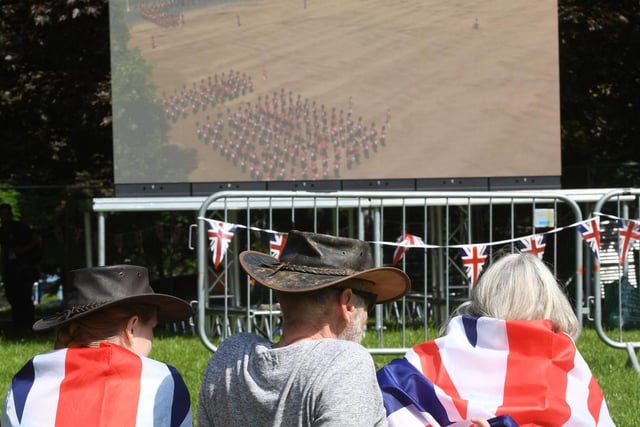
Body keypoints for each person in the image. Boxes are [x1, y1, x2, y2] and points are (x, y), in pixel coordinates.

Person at [198, 230, 411, 426]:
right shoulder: (345, 362)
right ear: (348, 303)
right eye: (370, 303)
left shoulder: (229, 357)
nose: (366, 317)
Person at [377, 253, 615, 427]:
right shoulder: (566, 361)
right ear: (552, 302)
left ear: (483, 296)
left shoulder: (425, 362)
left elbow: (393, 394)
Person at [2, 264, 194, 427]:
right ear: (132, 328)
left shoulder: (28, 379)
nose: (153, 338)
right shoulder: (164, 380)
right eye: (152, 327)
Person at [0, 203, 40, 331]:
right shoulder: (3, 231)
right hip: (10, 269)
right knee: (13, 296)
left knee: (24, 297)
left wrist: (22, 251)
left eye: (6, 214)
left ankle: (28, 324)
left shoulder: (20, 228)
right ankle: (18, 324)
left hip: (23, 269)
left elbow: (33, 242)